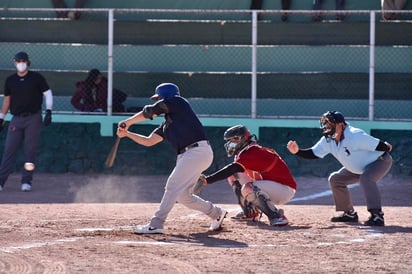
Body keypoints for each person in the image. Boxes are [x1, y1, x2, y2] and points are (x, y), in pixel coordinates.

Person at [116, 83, 227, 234]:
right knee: (183, 196)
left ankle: (156, 224)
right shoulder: (168, 124)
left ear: (166, 96)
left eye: (159, 98)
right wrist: (127, 134)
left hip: (196, 151)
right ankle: (216, 213)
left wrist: (127, 122)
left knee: (172, 185)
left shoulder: (178, 102)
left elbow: (150, 111)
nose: (158, 100)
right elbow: (149, 141)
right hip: (190, 155)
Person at [287, 111, 393, 226]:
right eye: (326, 124)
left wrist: (387, 146)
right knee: (335, 179)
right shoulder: (328, 140)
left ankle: (377, 216)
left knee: (366, 179)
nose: (327, 127)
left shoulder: (355, 135)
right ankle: (349, 214)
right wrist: (297, 152)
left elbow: (381, 146)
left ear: (341, 125)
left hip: (379, 162)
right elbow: (314, 153)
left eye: (330, 124)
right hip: (357, 168)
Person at [198, 125, 297, 226]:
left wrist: (207, 180)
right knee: (234, 176)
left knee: (248, 188)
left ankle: (277, 216)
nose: (231, 143)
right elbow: (233, 172)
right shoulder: (244, 152)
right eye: (230, 140)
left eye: (235, 139)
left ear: (244, 138)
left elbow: (231, 168)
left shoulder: (253, 152)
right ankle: (251, 213)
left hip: (285, 189)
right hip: (271, 185)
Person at [0, 52, 53, 192]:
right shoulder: (10, 80)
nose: (21, 63)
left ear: (28, 62)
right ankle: (1, 181)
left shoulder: (36, 78)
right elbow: (7, 100)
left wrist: (48, 111)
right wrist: (1, 117)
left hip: (33, 118)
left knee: (30, 151)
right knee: (9, 150)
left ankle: (26, 181)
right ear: (14, 62)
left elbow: (48, 93)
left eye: (23, 61)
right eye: (18, 61)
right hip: (16, 119)